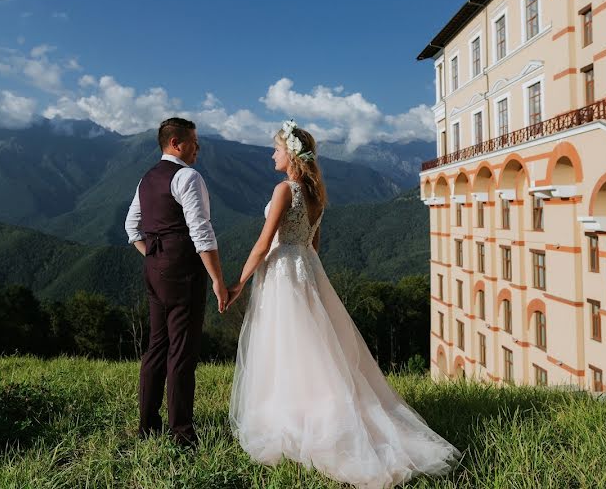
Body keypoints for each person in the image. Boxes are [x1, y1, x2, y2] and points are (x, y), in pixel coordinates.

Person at [227, 120, 460, 488]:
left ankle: (292, 416)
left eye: (276, 149)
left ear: (290, 155)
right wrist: (307, 268)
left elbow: (262, 242)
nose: (272, 155)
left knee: (285, 346)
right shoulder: (315, 192)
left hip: (284, 272)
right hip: (308, 268)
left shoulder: (284, 190)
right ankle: (319, 407)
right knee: (314, 344)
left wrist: (237, 284)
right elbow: (314, 244)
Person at [125, 117, 229, 447]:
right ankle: (182, 434)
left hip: (155, 269)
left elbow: (132, 227)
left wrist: (156, 256)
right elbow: (201, 232)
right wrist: (217, 280)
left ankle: (147, 426)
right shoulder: (187, 176)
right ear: (176, 144)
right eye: (194, 142)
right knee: (182, 352)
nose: (198, 148)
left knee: (157, 346)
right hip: (183, 271)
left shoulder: (147, 178)